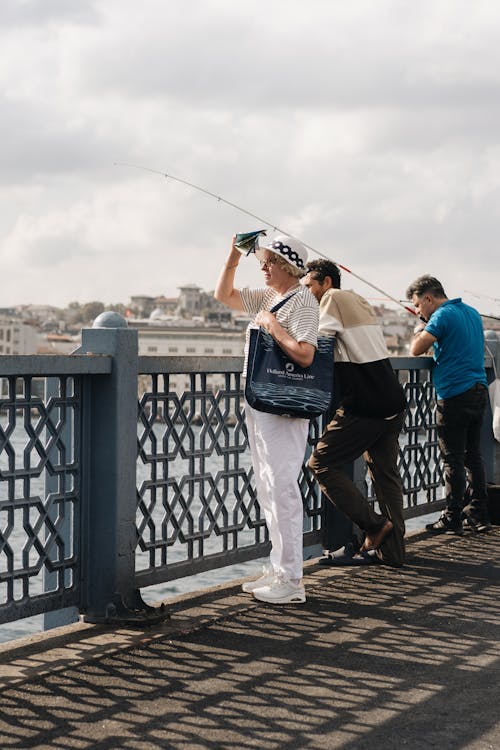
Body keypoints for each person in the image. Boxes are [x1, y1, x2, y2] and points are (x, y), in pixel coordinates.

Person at [214, 234, 319, 604]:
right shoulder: (269, 296)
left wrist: (273, 326)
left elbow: (306, 354)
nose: (263, 267)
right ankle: (280, 568)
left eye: (269, 262)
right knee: (268, 486)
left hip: (283, 406)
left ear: (288, 266)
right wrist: (232, 255)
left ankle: (292, 580)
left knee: (283, 486)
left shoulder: (302, 301)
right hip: (261, 401)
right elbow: (223, 296)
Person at [303, 259, 407, 567]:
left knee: (320, 463)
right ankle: (393, 553)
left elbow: (319, 344)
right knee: (386, 477)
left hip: (365, 404)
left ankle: (374, 527)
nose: (307, 291)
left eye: (309, 285)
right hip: (391, 400)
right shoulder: (359, 302)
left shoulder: (332, 299)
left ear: (326, 283)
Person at [406, 275, 490, 534]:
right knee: (473, 455)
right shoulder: (472, 312)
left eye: (418, 305)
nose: (418, 311)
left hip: (455, 393)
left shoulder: (441, 316)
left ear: (428, 298)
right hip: (479, 389)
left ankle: (452, 516)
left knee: (452, 458)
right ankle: (478, 513)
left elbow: (415, 350)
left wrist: (420, 327)